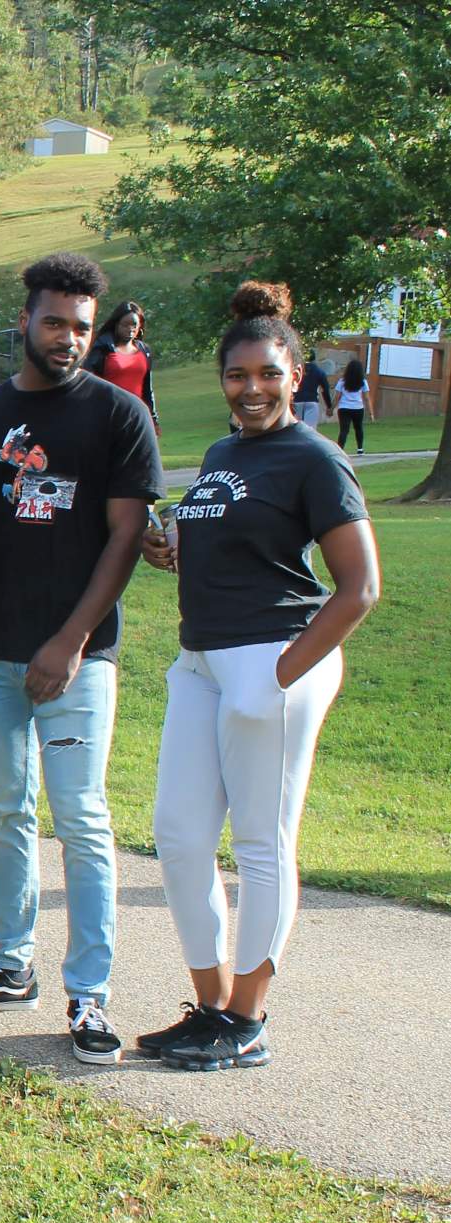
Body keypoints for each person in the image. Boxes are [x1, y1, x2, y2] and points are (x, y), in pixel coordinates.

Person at [137, 282, 380, 1072]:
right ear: (221, 379)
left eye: (268, 375)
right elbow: (232, 535)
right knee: (177, 834)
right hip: (201, 659)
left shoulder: (316, 458)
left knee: (261, 845)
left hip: (272, 660)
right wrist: (172, 544)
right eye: (237, 376)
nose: (251, 389)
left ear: (296, 374)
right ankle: (207, 1005)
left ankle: (246, 1017)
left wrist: (279, 674)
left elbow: (358, 587)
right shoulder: (220, 454)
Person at [0, 254, 161, 1063]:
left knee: (81, 819)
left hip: (77, 658)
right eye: (54, 322)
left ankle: (89, 995)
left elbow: (125, 534)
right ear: (25, 321)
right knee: (4, 810)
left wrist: (67, 641)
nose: (67, 337)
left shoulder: (116, 415)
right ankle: (9, 964)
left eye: (80, 324)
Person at [80, 299, 157, 424]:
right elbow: (89, 383)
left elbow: (148, 388)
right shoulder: (102, 348)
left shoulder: (144, 350)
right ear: (116, 324)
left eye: (134, 325)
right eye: (125, 324)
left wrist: (153, 419)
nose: (130, 329)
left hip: (137, 416)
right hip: (109, 416)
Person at [334, 357, 374, 453]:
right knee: (359, 428)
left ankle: (340, 449)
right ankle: (360, 448)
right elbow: (367, 398)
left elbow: (337, 397)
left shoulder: (342, 381)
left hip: (344, 408)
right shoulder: (363, 382)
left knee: (344, 430)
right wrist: (371, 413)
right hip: (358, 408)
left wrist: (331, 408)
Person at [295, 352, 335, 429]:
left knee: (297, 428)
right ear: (314, 358)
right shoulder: (319, 371)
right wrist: (329, 406)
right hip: (312, 400)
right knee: (310, 429)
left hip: (297, 400)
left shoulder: (298, 370)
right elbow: (325, 390)